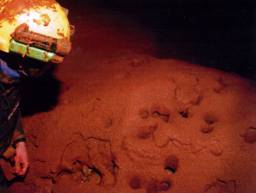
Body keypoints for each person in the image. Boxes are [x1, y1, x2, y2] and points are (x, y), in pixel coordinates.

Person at [0, 0, 73, 191]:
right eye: (42, 60)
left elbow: (10, 107)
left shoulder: (9, 75)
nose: (49, 66)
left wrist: (18, 141)